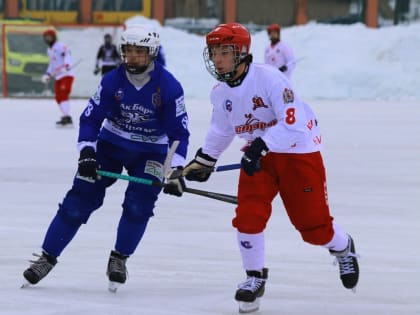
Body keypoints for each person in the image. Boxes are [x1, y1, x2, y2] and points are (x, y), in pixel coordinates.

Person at [163, 23, 359, 313]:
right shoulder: (220, 92)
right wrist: (199, 164)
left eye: (224, 52)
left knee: (313, 229)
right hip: (259, 158)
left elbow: (292, 124)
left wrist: (259, 147)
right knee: (248, 216)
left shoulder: (270, 79)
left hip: (297, 153)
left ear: (241, 53)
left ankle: (343, 247)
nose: (217, 59)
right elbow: (220, 131)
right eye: (213, 53)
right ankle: (254, 278)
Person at [22, 24, 190, 292]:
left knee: (139, 205)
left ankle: (119, 258)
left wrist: (177, 170)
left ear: (152, 53)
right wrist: (87, 151)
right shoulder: (112, 80)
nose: (132, 57)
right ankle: (47, 256)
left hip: (151, 152)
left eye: (139, 52)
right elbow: (91, 118)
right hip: (111, 145)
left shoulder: (169, 86)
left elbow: (179, 133)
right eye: (128, 51)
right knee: (79, 200)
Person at [42, 28, 75, 127]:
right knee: (58, 97)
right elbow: (52, 64)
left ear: (53, 37)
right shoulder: (49, 50)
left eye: (49, 37)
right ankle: (65, 116)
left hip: (67, 75)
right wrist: (47, 74)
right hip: (58, 76)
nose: (48, 39)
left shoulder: (60, 46)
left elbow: (67, 55)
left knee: (64, 94)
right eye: (46, 38)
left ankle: (68, 118)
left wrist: (67, 65)